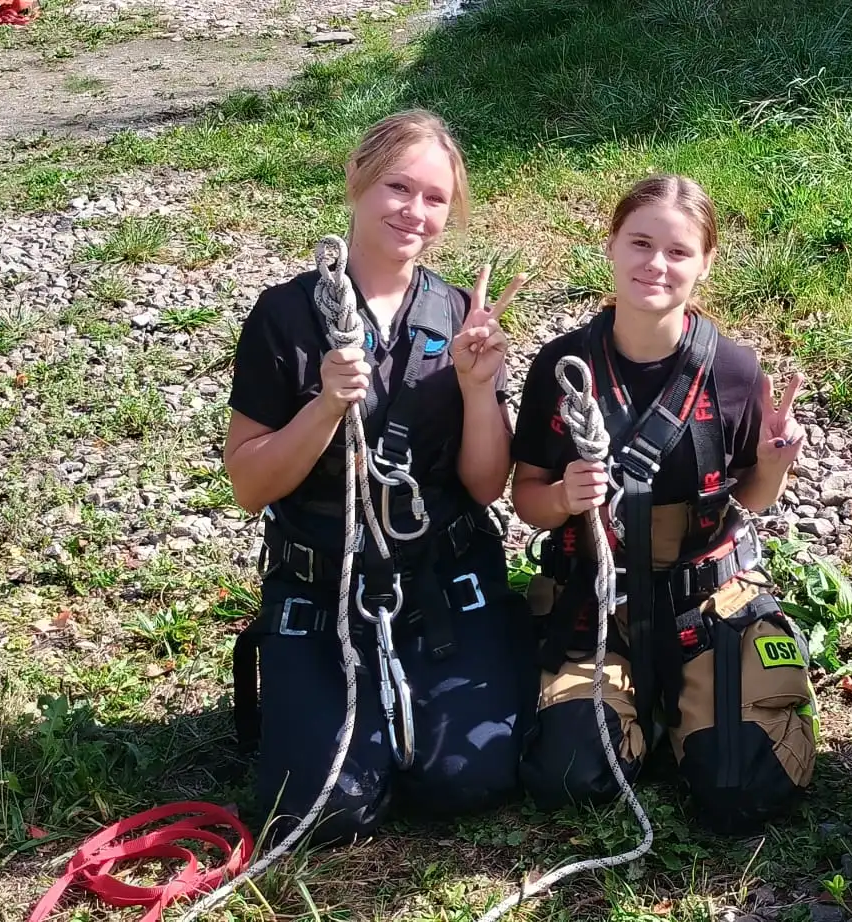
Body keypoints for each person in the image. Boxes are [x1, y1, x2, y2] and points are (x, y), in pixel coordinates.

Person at [223, 109, 534, 842]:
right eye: (399, 187)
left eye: (435, 199)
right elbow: (249, 484)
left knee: (475, 779)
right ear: (357, 180)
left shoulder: (457, 313)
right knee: (321, 812)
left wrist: (479, 387)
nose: (415, 212)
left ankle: (430, 700)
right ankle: (330, 705)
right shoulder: (286, 317)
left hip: (438, 579)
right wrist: (327, 406)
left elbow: (487, 487)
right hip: (326, 584)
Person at [509, 174, 819, 835]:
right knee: (569, 776)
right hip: (596, 595)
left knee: (744, 787)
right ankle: (641, 711)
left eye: (679, 252)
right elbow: (527, 499)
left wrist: (772, 464)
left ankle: (691, 712)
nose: (656, 264)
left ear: (706, 263)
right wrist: (564, 496)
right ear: (611, 247)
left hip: (703, 599)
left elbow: (750, 501)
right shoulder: (563, 366)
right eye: (640, 243)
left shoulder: (734, 372)